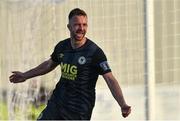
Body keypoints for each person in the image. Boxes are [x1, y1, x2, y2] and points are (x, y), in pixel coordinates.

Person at [9, 8, 131, 120]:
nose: (81, 28)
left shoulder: (95, 53)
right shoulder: (62, 46)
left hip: (79, 111)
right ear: (69, 27)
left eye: (84, 25)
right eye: (77, 24)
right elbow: (48, 65)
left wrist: (122, 104)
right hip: (57, 104)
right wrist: (25, 75)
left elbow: (110, 79)